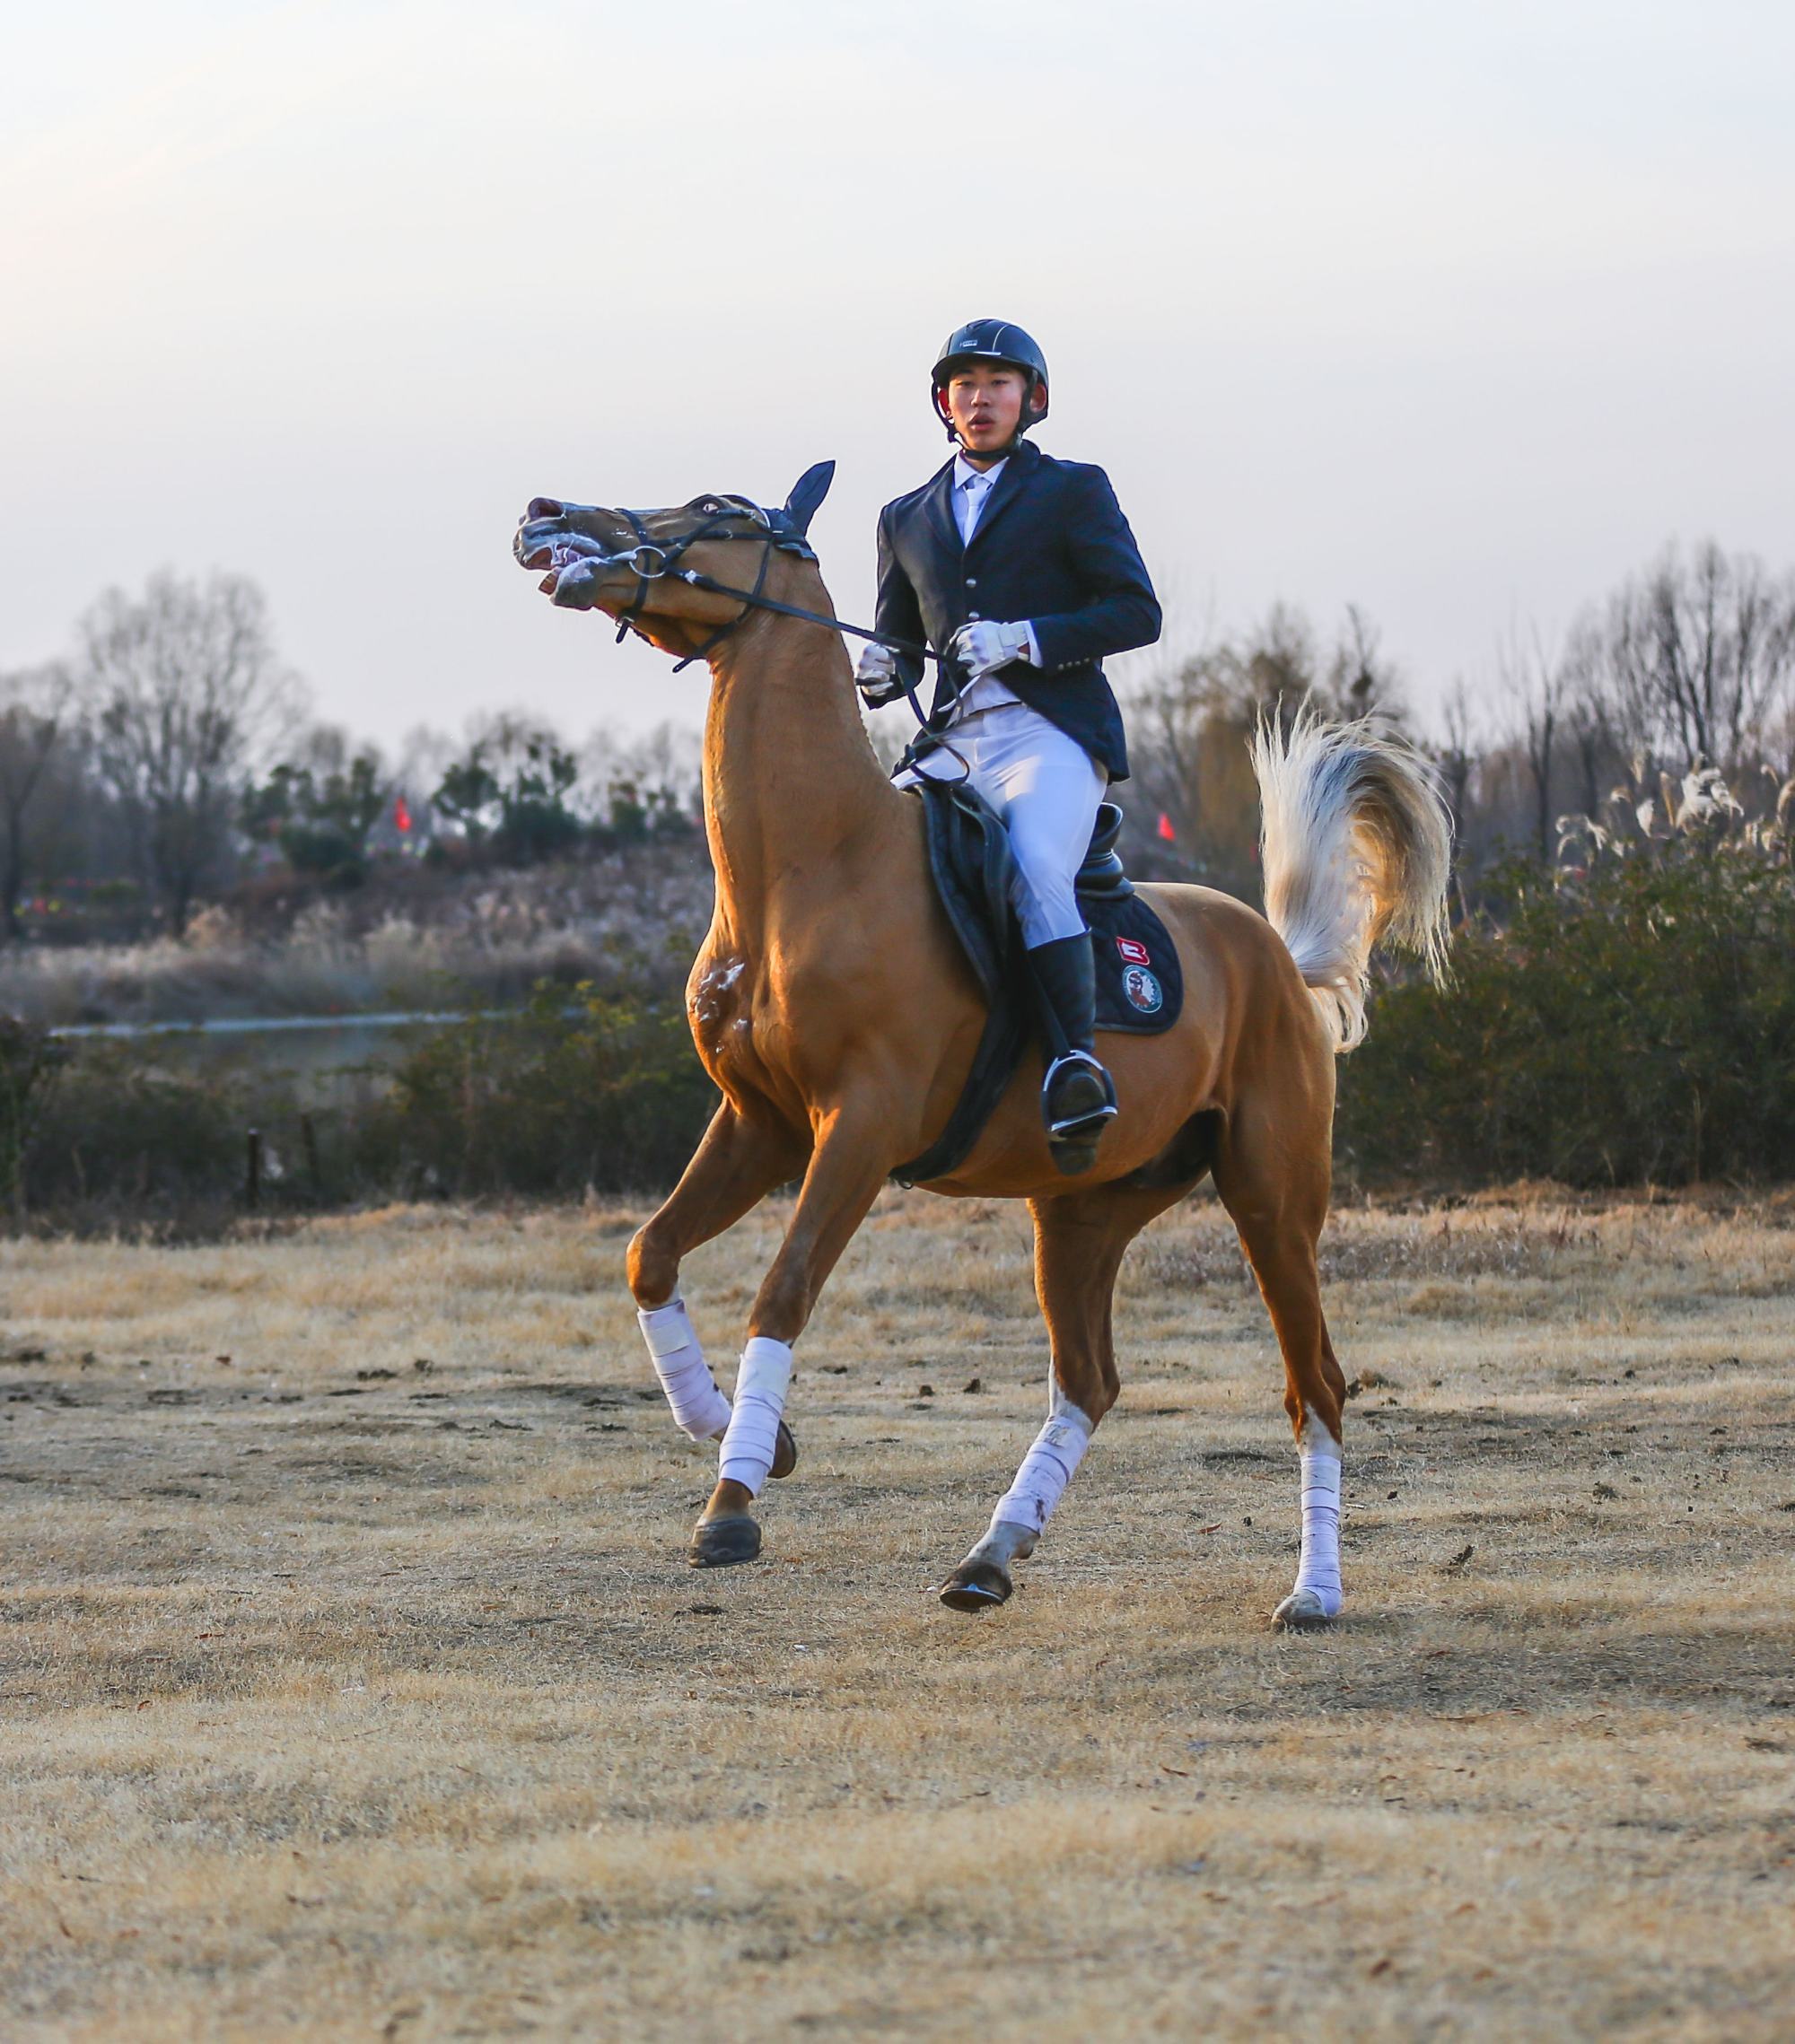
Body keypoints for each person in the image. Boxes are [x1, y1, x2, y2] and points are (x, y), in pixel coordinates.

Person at [859, 319, 1162, 1163]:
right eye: (965, 384)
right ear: (943, 403)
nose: (980, 398)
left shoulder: (1074, 490)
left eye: (998, 383)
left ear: (1032, 400)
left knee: (1032, 862)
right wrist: (884, 671)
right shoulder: (903, 516)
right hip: (951, 744)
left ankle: (1073, 1063)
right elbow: (899, 641)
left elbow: (1137, 612)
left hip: (1049, 733)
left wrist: (1024, 636)